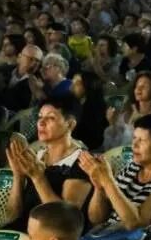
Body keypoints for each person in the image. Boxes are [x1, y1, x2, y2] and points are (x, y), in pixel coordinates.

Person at [79, 113, 151, 238]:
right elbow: (96, 218)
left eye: (141, 140)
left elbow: (136, 224)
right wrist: (99, 187)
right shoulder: (132, 167)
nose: (134, 145)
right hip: (106, 237)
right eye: (134, 138)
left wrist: (108, 181)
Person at [5, 95, 91, 226]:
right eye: (40, 117)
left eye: (51, 118)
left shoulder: (81, 162)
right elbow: (12, 215)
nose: (41, 122)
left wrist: (38, 177)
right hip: (23, 231)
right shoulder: (38, 156)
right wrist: (18, 176)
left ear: (70, 124)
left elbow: (65, 221)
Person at [101, 72, 151, 151]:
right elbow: (114, 146)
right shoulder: (127, 110)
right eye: (137, 86)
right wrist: (112, 123)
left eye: (144, 86)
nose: (139, 89)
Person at [69, 71, 108, 151]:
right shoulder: (75, 101)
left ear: (87, 86)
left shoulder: (95, 109)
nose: (72, 85)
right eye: (73, 81)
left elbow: (87, 137)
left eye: (77, 83)